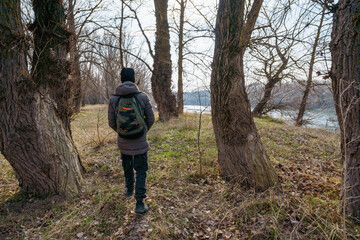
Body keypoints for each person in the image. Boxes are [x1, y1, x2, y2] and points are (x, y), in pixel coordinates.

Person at [108, 68, 155, 214]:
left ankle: (129, 189)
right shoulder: (142, 97)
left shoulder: (114, 99)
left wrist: (122, 133)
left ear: (121, 79)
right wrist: (142, 131)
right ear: (133, 79)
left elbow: (111, 122)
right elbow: (151, 118)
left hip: (123, 141)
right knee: (141, 171)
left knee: (127, 166)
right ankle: (139, 203)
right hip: (140, 142)